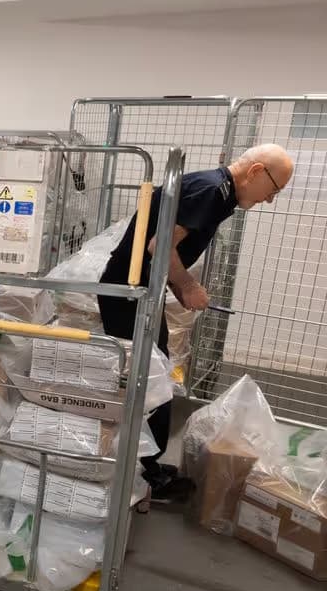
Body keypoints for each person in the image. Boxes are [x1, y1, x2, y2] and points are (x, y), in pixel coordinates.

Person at [98, 144, 294, 499]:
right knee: (151, 380)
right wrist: (187, 285)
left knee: (153, 374)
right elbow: (160, 247)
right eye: (274, 189)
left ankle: (145, 465)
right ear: (255, 172)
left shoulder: (215, 191)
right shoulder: (212, 192)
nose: (270, 200)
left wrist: (179, 285)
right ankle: (145, 472)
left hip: (134, 292)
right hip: (127, 294)